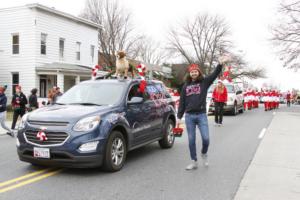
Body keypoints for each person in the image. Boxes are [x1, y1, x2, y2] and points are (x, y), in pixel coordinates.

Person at [177, 54, 231, 170]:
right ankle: (194, 161)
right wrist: (178, 117)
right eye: (192, 72)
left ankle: (204, 153)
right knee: (191, 140)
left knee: (206, 139)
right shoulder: (186, 86)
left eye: (196, 71)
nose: (194, 73)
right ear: (189, 74)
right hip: (189, 116)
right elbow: (182, 102)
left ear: (199, 72)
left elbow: (215, 74)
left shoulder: (204, 82)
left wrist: (220, 64)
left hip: (201, 115)